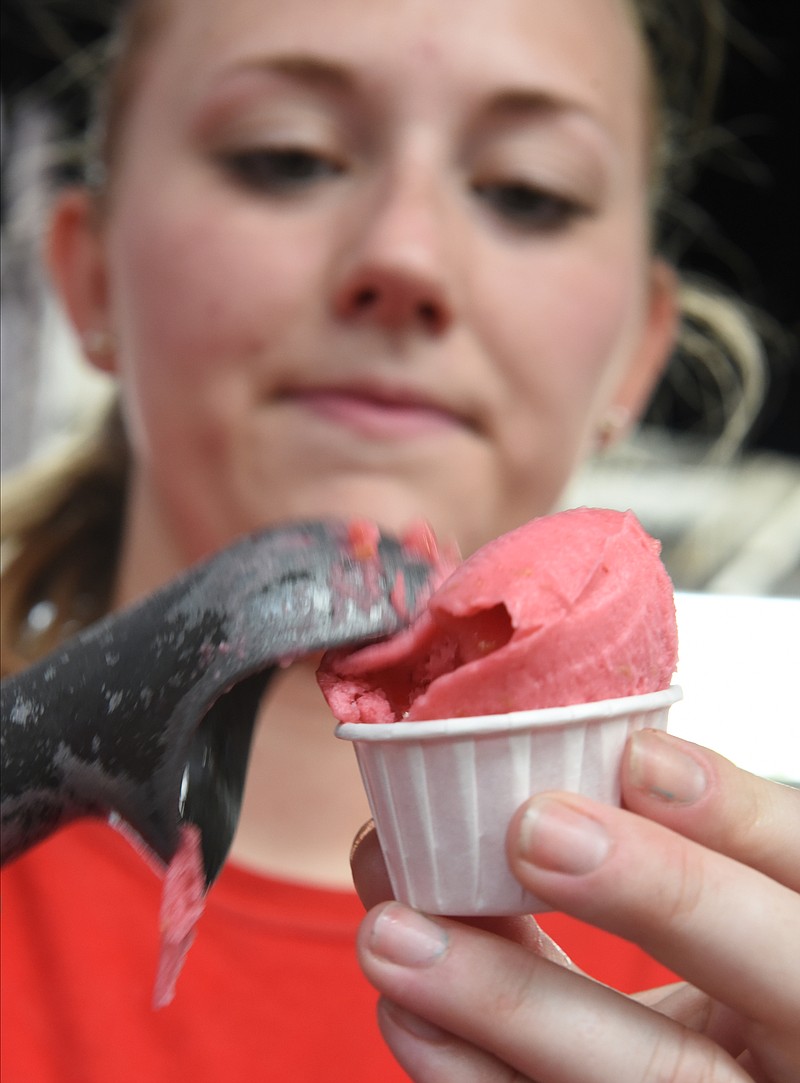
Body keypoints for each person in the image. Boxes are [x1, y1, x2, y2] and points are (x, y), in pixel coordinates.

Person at [1, 0, 797, 1080]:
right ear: (87, 273)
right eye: (284, 156)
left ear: (635, 353)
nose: (403, 256)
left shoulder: (742, 992)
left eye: (527, 191)